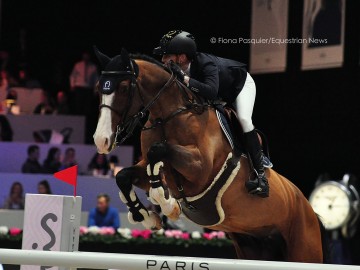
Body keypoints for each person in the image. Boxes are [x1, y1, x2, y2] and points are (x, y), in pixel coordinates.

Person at [153, 30, 269, 198]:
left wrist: (184, 79)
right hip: (217, 93)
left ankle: (261, 177)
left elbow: (211, 92)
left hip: (239, 87)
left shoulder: (206, 64)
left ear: (182, 57)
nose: (163, 60)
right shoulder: (177, 70)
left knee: (244, 119)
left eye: (166, 56)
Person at [69, 51, 98, 116]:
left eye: (87, 56)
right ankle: (78, 119)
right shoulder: (78, 65)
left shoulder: (93, 67)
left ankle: (85, 121)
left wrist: (95, 90)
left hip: (88, 88)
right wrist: (72, 85)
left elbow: (96, 79)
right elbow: (72, 76)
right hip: (79, 86)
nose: (86, 58)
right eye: (85, 56)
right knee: (78, 105)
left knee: (87, 107)